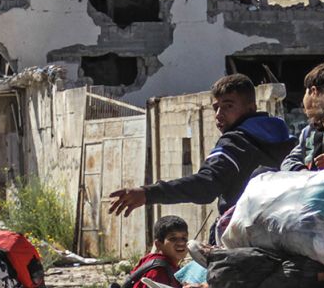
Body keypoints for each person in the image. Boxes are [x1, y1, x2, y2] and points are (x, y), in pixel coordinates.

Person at [107, 74, 294, 227]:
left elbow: (206, 185)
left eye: (228, 106)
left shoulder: (235, 142)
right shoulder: (287, 140)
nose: (219, 115)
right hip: (285, 226)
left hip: (246, 233)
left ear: (251, 108)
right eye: (216, 108)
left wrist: (148, 193)